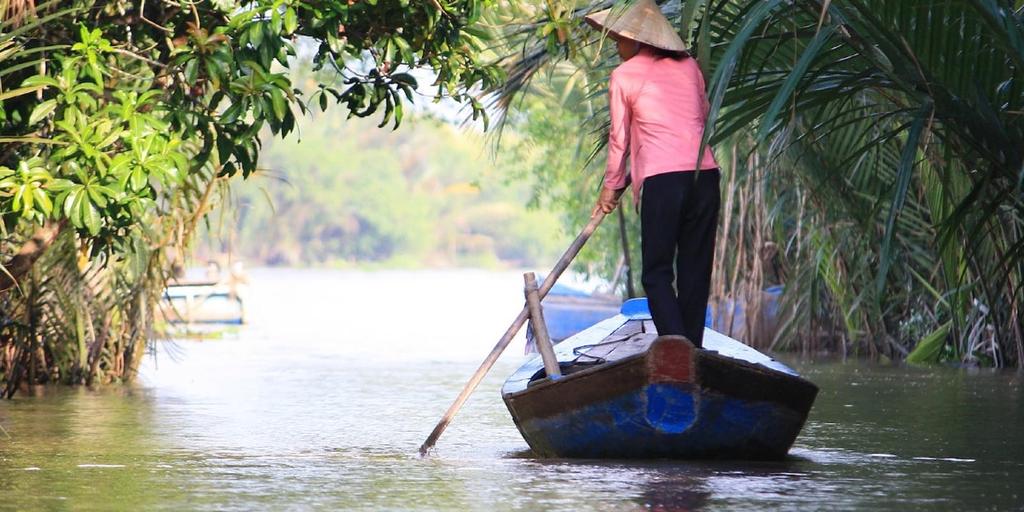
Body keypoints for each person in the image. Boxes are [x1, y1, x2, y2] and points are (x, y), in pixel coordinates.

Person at [585, 0, 720, 348]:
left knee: (656, 273)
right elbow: (700, 118)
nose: (616, 46)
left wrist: (610, 188)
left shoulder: (624, 76)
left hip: (664, 182)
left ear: (638, 39)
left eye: (619, 39)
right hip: (704, 176)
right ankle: (692, 349)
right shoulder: (689, 66)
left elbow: (620, 141)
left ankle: (677, 350)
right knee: (694, 271)